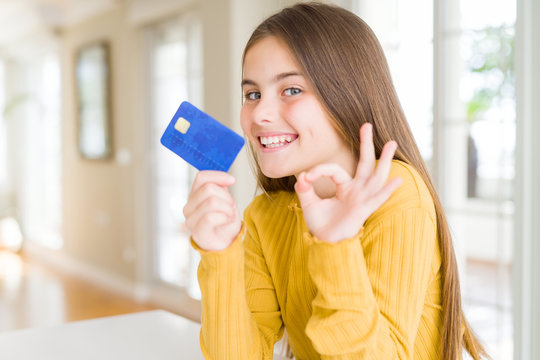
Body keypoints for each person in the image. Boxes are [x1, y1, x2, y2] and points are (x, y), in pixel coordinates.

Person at [183, 2, 487, 359]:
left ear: (347, 93)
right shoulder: (265, 215)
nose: (259, 115)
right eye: (252, 94)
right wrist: (221, 255)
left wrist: (335, 247)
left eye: (291, 90)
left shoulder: (396, 195)